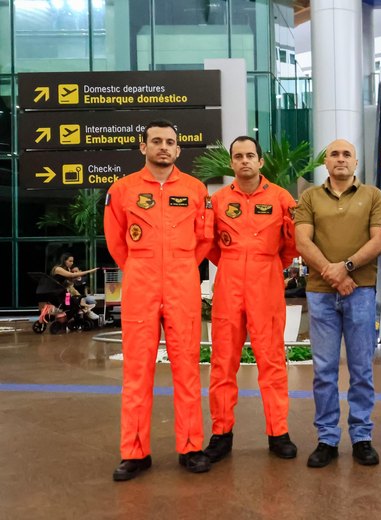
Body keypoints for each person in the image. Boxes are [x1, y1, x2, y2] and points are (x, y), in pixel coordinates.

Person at [104, 120, 214, 481]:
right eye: (156, 141)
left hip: (183, 283)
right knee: (136, 372)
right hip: (140, 284)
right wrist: (141, 268)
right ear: (143, 147)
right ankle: (134, 452)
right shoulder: (122, 190)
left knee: (186, 369)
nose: (163, 147)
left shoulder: (196, 190)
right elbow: (116, 242)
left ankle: (191, 446)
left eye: (169, 142)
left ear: (178, 150)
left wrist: (181, 265)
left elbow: (203, 239)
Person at [202, 136, 299, 463]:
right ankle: (221, 433)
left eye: (250, 156)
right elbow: (211, 245)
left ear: (260, 161)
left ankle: (278, 432)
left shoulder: (281, 198)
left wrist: (269, 265)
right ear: (232, 163)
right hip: (228, 283)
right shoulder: (217, 201)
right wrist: (233, 264)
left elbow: (292, 244)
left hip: (267, 283)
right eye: (238, 156)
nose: (244, 161)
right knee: (222, 362)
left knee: (271, 361)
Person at [294, 139, 381, 468]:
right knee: (323, 371)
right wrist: (332, 273)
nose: (340, 159)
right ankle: (327, 438)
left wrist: (345, 267)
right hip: (321, 293)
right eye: (334, 154)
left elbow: (380, 239)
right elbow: (301, 240)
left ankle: (362, 436)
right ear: (326, 161)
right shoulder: (309, 197)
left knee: (361, 368)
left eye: (346, 154)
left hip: (360, 291)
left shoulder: (373, 196)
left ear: (356, 161)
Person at [50, 254, 98, 319]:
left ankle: (85, 310)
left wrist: (75, 278)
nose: (72, 263)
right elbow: (71, 275)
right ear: (64, 261)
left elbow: (71, 279)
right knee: (73, 301)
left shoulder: (68, 269)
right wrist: (90, 271)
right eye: (70, 261)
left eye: (72, 261)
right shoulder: (58, 269)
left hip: (65, 292)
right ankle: (85, 310)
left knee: (77, 299)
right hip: (57, 293)